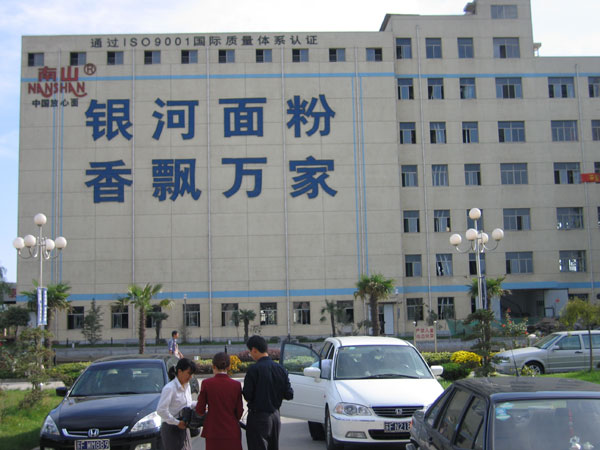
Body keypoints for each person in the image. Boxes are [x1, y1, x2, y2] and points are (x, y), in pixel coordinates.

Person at [243, 335, 293, 450]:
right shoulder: (281, 369)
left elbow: (247, 395)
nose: (250, 354)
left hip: (258, 417)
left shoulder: (253, 370)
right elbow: (289, 394)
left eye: (250, 351)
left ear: (254, 350)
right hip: (275, 417)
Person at [196, 352, 244, 450]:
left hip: (213, 431)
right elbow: (239, 412)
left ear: (213, 366)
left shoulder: (206, 384)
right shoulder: (236, 385)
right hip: (231, 431)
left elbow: (200, 410)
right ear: (229, 367)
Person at [157, 358, 197, 450]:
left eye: (192, 374)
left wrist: (200, 405)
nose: (190, 377)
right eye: (189, 373)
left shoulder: (187, 386)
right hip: (171, 427)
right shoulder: (170, 388)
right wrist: (177, 422)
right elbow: (161, 410)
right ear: (179, 371)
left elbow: (188, 404)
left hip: (184, 425)